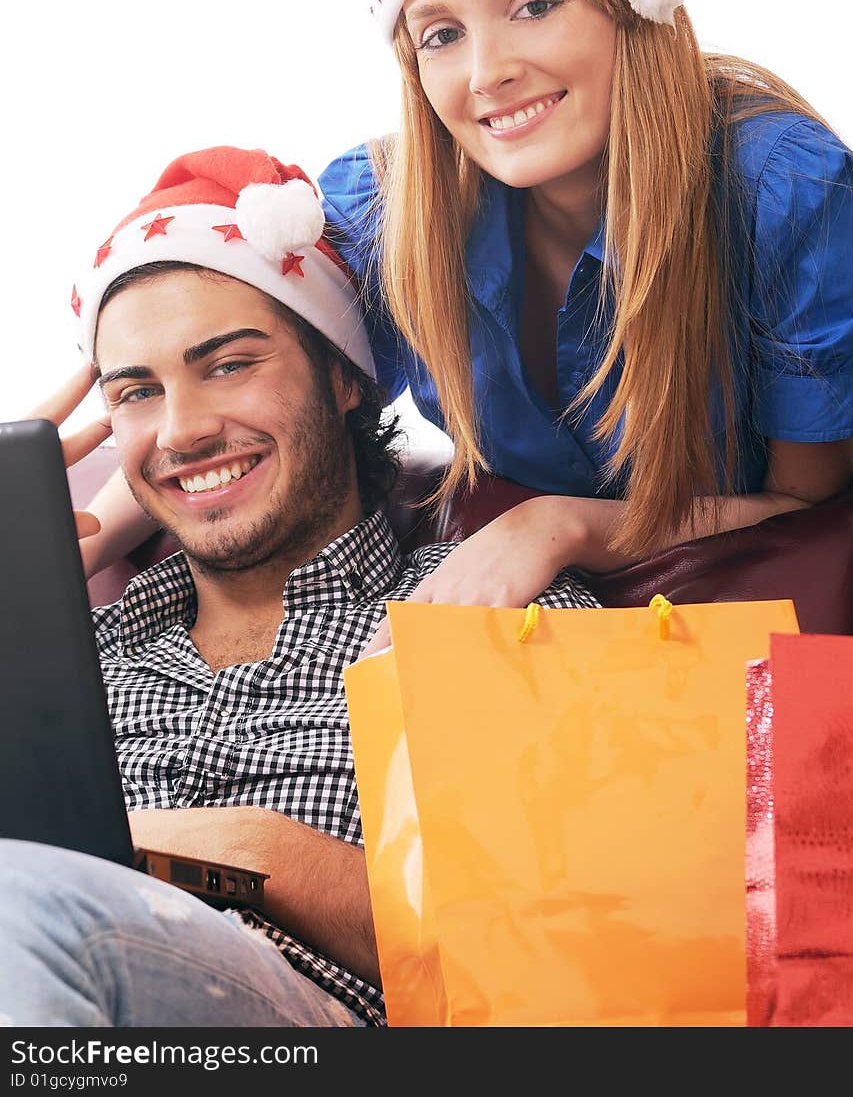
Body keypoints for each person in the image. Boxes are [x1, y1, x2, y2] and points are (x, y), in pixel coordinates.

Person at [79, 0, 853, 632]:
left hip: (745, 592)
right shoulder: (388, 210)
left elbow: (812, 507)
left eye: (535, 5)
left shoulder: (786, 191)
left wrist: (560, 524)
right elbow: (229, 370)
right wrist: (76, 523)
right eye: (443, 35)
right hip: (534, 610)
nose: (487, 73)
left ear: (634, 2)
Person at [0, 146, 599, 1028]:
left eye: (229, 364)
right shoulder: (81, 652)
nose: (184, 429)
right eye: (137, 391)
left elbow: (554, 956)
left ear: (345, 375)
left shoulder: (492, 605)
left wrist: (245, 848)